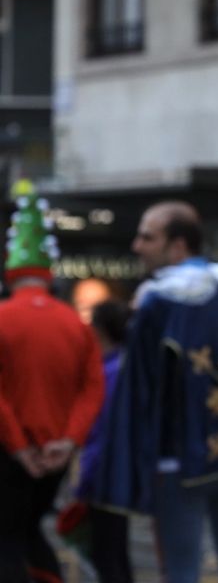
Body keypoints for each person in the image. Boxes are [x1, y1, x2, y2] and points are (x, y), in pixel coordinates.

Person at [96, 201, 218, 583]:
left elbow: (138, 388)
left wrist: (131, 461)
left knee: (181, 570)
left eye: (147, 237)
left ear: (177, 246)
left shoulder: (158, 301)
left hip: (178, 459)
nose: (137, 245)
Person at [0, 181, 106, 583]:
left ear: (11, 275)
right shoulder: (75, 325)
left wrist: (19, 447)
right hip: (56, 455)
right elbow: (92, 388)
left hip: (11, 453)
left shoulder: (3, 317)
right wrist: (67, 442)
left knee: (7, 539)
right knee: (30, 531)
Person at [69, 299, 134, 583]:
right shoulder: (122, 366)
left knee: (107, 554)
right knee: (115, 551)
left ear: (100, 330)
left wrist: (84, 480)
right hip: (118, 470)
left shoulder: (108, 372)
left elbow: (101, 432)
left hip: (105, 472)